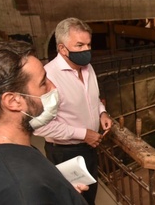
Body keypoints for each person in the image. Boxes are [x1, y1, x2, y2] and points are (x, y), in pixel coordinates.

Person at [0, 40, 88, 204]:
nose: (53, 87)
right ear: (13, 101)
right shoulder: (21, 190)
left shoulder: (14, 152)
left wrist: (60, 192)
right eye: (43, 83)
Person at [34, 17, 113, 205]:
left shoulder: (88, 67)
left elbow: (93, 98)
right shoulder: (48, 77)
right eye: (79, 45)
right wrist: (83, 134)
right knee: (73, 199)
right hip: (65, 152)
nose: (86, 50)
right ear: (62, 49)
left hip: (90, 147)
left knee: (89, 196)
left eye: (88, 45)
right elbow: (40, 128)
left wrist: (102, 112)